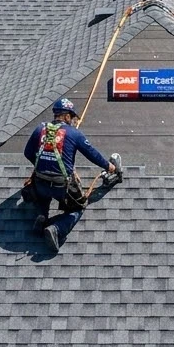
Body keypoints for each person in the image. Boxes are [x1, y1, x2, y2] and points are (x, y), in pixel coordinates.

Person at [24, 97, 117, 251]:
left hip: (40, 182)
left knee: (42, 198)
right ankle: (57, 229)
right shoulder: (74, 133)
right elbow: (91, 154)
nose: (73, 121)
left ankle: (41, 215)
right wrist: (109, 166)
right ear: (67, 116)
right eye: (72, 117)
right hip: (62, 187)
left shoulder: (40, 128)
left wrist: (41, 165)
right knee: (79, 207)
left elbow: (28, 153)